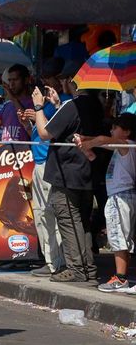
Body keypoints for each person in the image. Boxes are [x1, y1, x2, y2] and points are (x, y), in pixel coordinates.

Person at [31, 85, 110, 282]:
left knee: (68, 220)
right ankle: (87, 268)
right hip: (86, 172)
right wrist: (58, 105)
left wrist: (39, 107)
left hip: (67, 172)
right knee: (82, 223)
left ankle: (76, 269)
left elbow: (44, 133)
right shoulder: (95, 107)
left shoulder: (74, 105)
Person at [76, 114, 135, 292]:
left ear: (126, 132)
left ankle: (121, 278)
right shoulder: (121, 147)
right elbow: (100, 142)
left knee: (118, 237)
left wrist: (88, 142)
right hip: (121, 195)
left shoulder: (127, 145)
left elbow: (102, 140)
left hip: (120, 196)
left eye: (115, 128)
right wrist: (86, 140)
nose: (111, 131)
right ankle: (121, 275)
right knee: (122, 237)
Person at [25, 58, 73, 277]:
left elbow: (50, 131)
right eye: (43, 78)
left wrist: (38, 110)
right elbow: (38, 132)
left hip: (49, 163)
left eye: (50, 78)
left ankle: (57, 261)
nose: (46, 83)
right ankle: (50, 259)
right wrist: (31, 120)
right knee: (41, 214)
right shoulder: (45, 104)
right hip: (38, 161)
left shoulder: (63, 102)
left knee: (50, 213)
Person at [0, 64, 35, 142]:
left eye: (15, 80)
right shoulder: (7, 105)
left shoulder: (33, 103)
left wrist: (13, 98)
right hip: (5, 151)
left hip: (24, 152)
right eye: (10, 80)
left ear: (26, 80)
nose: (11, 84)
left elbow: (25, 119)